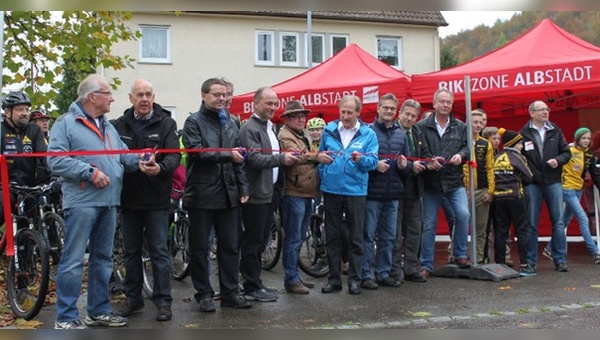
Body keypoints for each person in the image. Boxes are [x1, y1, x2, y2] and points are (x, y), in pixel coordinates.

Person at [48, 74, 147, 329]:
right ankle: (66, 317)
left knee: (103, 260)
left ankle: (98, 311)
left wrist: (142, 160)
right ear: (93, 97)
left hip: (109, 201)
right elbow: (55, 160)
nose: (112, 98)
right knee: (72, 260)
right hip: (82, 202)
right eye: (108, 93)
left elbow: (122, 156)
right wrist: (89, 173)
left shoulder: (107, 126)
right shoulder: (66, 123)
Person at [112, 79, 180, 321]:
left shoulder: (166, 123)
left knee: (160, 253)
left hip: (157, 200)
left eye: (148, 94)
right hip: (128, 200)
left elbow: (175, 157)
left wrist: (160, 169)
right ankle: (133, 299)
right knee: (130, 252)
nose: (144, 99)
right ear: (131, 98)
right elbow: (113, 158)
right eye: (139, 94)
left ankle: (163, 302)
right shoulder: (118, 125)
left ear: (154, 97)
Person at [182, 77, 250, 312]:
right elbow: (197, 153)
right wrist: (227, 155)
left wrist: (243, 189)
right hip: (202, 194)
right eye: (217, 94)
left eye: (225, 94)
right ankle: (204, 294)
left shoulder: (232, 122)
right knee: (200, 248)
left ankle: (230, 292)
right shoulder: (193, 121)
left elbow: (239, 159)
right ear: (204, 95)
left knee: (230, 246)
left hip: (229, 194)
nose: (222, 98)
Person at [239, 87, 299, 302]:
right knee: (253, 241)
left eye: (275, 103)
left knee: (261, 239)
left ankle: (255, 282)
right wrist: (282, 159)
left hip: (270, 192)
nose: (273, 107)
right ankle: (250, 286)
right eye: (268, 103)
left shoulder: (269, 127)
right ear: (256, 104)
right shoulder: (249, 128)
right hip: (256, 194)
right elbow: (254, 159)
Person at [317, 95, 379, 295]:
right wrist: (323, 166)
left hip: (356, 192)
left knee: (356, 238)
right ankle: (334, 279)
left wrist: (361, 159)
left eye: (349, 112)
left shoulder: (368, 134)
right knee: (332, 237)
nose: (345, 116)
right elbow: (320, 156)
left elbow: (373, 162)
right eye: (342, 111)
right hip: (331, 190)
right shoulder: (329, 130)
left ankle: (355, 279)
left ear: (358, 113)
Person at [415, 88, 470, 278]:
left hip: (454, 182)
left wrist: (460, 155)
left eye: (448, 102)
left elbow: (467, 148)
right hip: (431, 184)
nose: (445, 105)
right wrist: (429, 161)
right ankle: (426, 265)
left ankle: (460, 254)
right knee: (429, 225)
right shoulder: (421, 126)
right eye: (442, 102)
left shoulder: (461, 126)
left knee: (463, 215)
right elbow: (417, 151)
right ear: (435, 103)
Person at [361, 93, 409, 290]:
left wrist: (404, 164)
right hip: (372, 192)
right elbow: (360, 159)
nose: (389, 111)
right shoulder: (367, 132)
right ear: (378, 109)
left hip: (393, 193)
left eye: (392, 108)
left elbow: (408, 162)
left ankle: (383, 273)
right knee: (368, 235)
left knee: (389, 237)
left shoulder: (401, 134)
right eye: (386, 108)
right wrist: (374, 165)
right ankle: (365, 274)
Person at [520, 100, 571, 274]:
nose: (546, 112)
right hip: (533, 183)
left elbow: (567, 152)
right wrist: (529, 173)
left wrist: (558, 160)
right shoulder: (524, 133)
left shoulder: (555, 130)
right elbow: (519, 158)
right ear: (532, 113)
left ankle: (560, 260)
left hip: (553, 181)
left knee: (558, 222)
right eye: (542, 110)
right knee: (531, 224)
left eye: (547, 109)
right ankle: (531, 261)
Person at [277, 100, 321, 294]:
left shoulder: (300, 135)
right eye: (296, 116)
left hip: (305, 191)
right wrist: (316, 156)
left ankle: (294, 275)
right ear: (287, 119)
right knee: (293, 238)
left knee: (299, 237)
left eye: (303, 116)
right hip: (293, 192)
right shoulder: (285, 135)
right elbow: (294, 155)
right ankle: (291, 279)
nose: (301, 119)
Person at [543, 127, 600, 264]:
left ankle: (549, 248)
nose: (586, 141)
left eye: (588, 138)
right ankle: (595, 252)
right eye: (583, 138)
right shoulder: (567, 150)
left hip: (578, 189)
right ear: (577, 138)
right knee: (583, 218)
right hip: (566, 188)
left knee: (565, 221)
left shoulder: (589, 155)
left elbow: (594, 174)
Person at [392, 98, 428, 283]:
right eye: (407, 114)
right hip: (396, 188)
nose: (409, 118)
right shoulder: (393, 132)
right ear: (400, 113)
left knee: (415, 230)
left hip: (415, 188)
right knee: (396, 233)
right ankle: (395, 269)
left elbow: (426, 154)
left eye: (413, 116)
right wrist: (410, 166)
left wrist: (430, 162)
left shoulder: (418, 133)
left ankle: (412, 267)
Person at [0, 91, 47, 224]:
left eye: (27, 109)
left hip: (29, 187)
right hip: (4, 187)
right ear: (8, 112)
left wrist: (55, 174)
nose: (25, 113)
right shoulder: (1, 129)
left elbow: (44, 155)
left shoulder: (34, 131)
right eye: (20, 110)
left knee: (32, 224)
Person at [492, 129, 533, 276]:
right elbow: (529, 177)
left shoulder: (497, 156)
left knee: (501, 231)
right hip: (515, 197)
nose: (522, 146)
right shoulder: (517, 157)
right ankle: (524, 265)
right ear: (514, 144)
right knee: (521, 230)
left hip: (498, 198)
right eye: (520, 143)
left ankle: (500, 264)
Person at [463, 110, 495, 264]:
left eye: (481, 122)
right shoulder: (462, 140)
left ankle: (479, 257)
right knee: (461, 223)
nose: (478, 125)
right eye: (475, 122)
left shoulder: (486, 143)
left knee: (481, 227)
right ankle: (456, 255)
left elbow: (490, 168)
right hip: (464, 190)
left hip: (482, 190)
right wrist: (464, 187)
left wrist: (491, 191)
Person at [482, 126, 514, 266]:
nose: (496, 141)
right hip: (487, 192)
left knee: (500, 227)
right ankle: (484, 256)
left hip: (500, 194)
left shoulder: (500, 154)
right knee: (485, 228)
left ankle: (502, 256)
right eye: (493, 138)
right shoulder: (482, 153)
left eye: (498, 138)